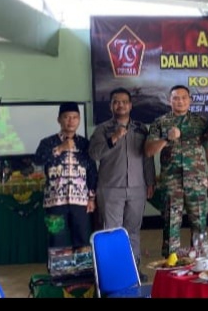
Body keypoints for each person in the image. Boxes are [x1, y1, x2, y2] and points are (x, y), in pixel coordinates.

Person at [89, 87, 156, 278]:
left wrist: (150, 181)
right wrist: (114, 137)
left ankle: (133, 270)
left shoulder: (141, 128)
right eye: (116, 102)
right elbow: (94, 154)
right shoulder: (102, 129)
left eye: (124, 102)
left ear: (130, 105)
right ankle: (114, 274)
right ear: (111, 106)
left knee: (133, 231)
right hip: (111, 188)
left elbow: (148, 157)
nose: (121, 105)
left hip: (137, 187)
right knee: (112, 232)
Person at [145, 85, 208, 257]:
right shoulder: (160, 122)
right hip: (171, 183)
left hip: (196, 181)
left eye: (184, 98)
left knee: (199, 224)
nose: (180, 101)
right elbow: (149, 151)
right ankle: (171, 262)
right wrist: (166, 138)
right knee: (171, 225)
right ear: (169, 100)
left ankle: (200, 259)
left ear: (190, 100)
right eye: (176, 98)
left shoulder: (200, 122)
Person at [35, 102, 97, 249]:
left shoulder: (85, 144)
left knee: (82, 241)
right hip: (55, 202)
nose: (71, 121)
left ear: (79, 120)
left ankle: (81, 266)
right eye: (67, 117)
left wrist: (91, 198)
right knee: (56, 241)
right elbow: (38, 161)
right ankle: (58, 266)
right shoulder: (47, 142)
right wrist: (59, 149)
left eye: (75, 117)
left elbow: (92, 171)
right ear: (59, 119)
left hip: (80, 202)